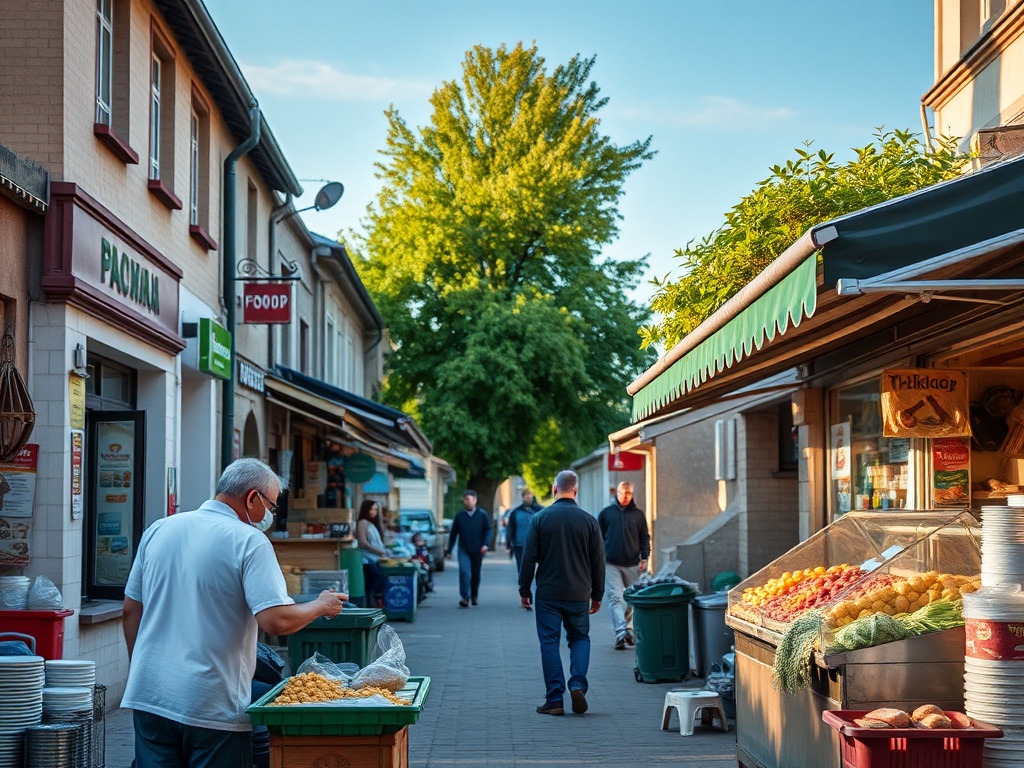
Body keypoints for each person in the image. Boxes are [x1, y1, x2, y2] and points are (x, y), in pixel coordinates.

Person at [121, 458, 348, 768]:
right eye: (271, 506)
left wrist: (142, 668)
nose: (270, 515)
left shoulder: (160, 529)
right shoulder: (249, 541)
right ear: (252, 498)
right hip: (210, 703)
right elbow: (275, 620)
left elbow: (130, 610)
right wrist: (320, 605)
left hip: (149, 694)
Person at [519, 470, 605, 716]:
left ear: (554, 489)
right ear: (575, 491)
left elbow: (528, 558)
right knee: (579, 638)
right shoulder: (589, 521)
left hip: (548, 593)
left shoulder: (540, 519)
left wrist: (524, 589)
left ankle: (555, 700)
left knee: (549, 643)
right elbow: (598, 562)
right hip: (579, 593)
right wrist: (597, 594)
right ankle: (577, 683)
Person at [598, 481, 651, 650]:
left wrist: (645, 557)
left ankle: (627, 629)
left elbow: (644, 536)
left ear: (632, 494)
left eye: (629, 494)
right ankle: (621, 632)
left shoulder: (638, 515)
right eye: (623, 493)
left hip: (633, 564)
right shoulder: (606, 514)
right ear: (617, 493)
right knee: (615, 597)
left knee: (630, 600)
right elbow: (598, 538)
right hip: (610, 563)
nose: (625, 497)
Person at [444, 490, 491, 607]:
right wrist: (449, 550)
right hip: (463, 549)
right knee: (464, 572)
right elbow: (453, 534)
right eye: (465, 500)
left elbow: (488, 530)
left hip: (478, 549)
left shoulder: (482, 515)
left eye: (469, 500)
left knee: (475, 574)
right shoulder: (460, 516)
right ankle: (465, 597)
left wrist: (486, 544)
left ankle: (474, 595)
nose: (466, 502)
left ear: (475, 500)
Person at [355, 499, 389, 608]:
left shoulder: (372, 524)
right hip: (366, 560)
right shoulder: (362, 523)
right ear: (366, 509)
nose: (375, 512)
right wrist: (379, 551)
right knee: (378, 578)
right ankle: (371, 601)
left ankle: (373, 603)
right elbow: (363, 543)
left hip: (375, 559)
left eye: (376, 510)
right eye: (373, 509)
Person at [506, 488, 544, 576]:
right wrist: (509, 543)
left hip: (536, 543)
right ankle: (523, 583)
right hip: (519, 543)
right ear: (522, 498)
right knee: (521, 566)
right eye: (526, 496)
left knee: (536, 565)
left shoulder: (540, 511)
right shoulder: (516, 512)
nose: (528, 498)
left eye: (529, 495)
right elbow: (510, 528)